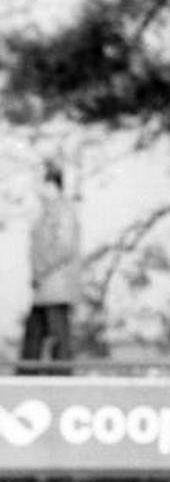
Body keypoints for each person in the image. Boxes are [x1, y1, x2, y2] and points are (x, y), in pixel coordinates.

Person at [19, 159, 81, 376]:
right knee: (32, 342)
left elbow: (64, 247)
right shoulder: (46, 212)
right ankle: (23, 386)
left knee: (58, 343)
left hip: (56, 289)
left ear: (50, 184)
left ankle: (62, 389)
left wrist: (41, 269)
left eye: (39, 182)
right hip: (43, 290)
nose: (35, 187)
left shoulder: (63, 212)